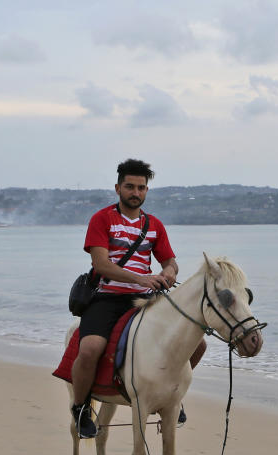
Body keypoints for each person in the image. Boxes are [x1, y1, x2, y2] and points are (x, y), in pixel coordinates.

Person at [70, 159, 206, 439]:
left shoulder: (153, 224)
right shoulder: (102, 219)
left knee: (198, 344)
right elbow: (101, 264)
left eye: (141, 188)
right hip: (108, 297)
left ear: (146, 191)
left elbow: (171, 262)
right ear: (118, 187)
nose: (136, 192)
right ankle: (81, 407)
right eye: (130, 186)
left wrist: (167, 272)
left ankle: (172, 394)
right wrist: (141, 278)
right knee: (89, 349)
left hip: (146, 299)